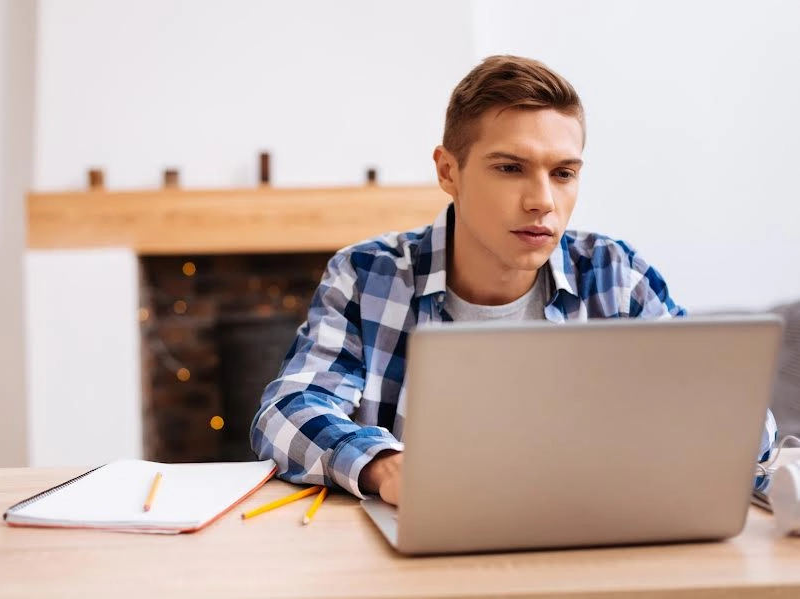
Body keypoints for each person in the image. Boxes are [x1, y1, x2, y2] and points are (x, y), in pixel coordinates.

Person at [250, 55, 777, 505]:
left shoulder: (616, 275)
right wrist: (385, 466)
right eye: (510, 168)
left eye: (563, 173)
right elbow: (286, 411)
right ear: (448, 171)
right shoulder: (368, 275)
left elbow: (742, 423)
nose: (543, 200)